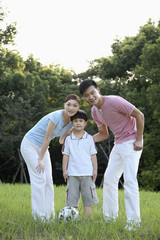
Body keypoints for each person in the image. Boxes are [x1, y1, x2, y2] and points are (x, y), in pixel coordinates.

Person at [79, 79, 144, 230]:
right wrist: (84, 141)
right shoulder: (95, 111)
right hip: (119, 144)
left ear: (98, 90)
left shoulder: (115, 101)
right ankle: (109, 218)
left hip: (132, 143)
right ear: (84, 98)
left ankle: (133, 224)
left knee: (130, 181)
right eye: (87, 95)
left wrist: (139, 139)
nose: (91, 97)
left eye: (92, 92)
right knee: (109, 179)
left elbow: (139, 115)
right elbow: (103, 134)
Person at [20, 94, 80, 221]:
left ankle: (50, 215)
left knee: (48, 180)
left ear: (78, 108)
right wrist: (40, 160)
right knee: (39, 179)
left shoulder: (71, 123)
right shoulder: (55, 116)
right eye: (68, 104)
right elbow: (47, 138)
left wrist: (70, 137)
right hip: (30, 144)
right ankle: (39, 217)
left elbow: (60, 140)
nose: (71, 108)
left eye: (74, 105)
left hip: (42, 148)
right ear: (64, 105)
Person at [62, 110, 99, 218]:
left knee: (87, 198)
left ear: (85, 123)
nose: (78, 123)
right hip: (72, 174)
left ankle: (86, 220)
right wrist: (65, 170)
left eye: (81, 121)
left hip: (87, 173)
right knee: (72, 199)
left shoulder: (90, 138)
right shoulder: (68, 139)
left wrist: (95, 170)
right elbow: (66, 155)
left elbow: (93, 155)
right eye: (75, 121)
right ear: (72, 123)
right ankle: (74, 219)